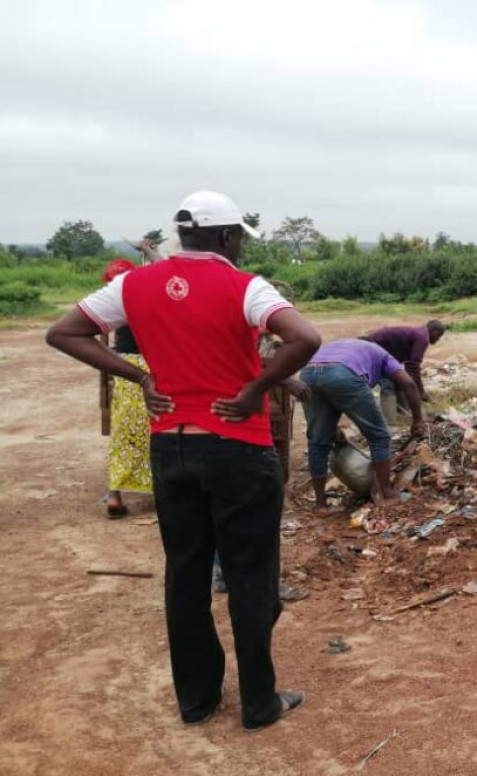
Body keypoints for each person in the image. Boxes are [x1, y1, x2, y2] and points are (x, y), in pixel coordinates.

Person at [46, 190, 323, 732]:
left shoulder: (132, 284)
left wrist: (140, 376)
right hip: (238, 447)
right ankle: (258, 702)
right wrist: (254, 390)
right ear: (224, 237)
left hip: (171, 446)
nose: (240, 246)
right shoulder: (246, 287)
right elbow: (305, 338)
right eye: (239, 236)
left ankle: (196, 701)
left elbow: (64, 332)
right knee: (249, 575)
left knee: (185, 575)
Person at [299, 338, 426, 511]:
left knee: (318, 441)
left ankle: (320, 504)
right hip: (342, 373)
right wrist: (418, 419)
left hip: (308, 373)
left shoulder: (347, 347)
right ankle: (386, 493)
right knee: (379, 435)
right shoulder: (384, 356)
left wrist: (332, 427)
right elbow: (409, 384)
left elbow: (328, 389)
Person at [100, 258, 152, 518]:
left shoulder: (114, 302)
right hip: (154, 367)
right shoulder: (148, 296)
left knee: (123, 430)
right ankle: (163, 488)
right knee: (157, 427)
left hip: (126, 368)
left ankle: (115, 493)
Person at [363, 320, 445, 427]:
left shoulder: (419, 334)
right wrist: (420, 391)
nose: (438, 339)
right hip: (374, 349)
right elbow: (413, 365)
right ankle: (389, 424)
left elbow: (409, 366)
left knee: (400, 382)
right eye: (438, 336)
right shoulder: (422, 338)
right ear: (434, 331)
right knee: (388, 385)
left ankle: (404, 415)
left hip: (383, 352)